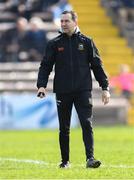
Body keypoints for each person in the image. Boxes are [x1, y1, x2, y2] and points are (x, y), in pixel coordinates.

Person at [37, 10, 110, 169]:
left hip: (83, 90)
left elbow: (97, 66)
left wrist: (105, 87)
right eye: (61, 21)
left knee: (86, 123)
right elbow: (45, 66)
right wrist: (41, 85)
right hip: (62, 91)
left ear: (75, 22)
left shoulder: (87, 41)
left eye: (66, 21)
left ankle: (90, 158)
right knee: (64, 127)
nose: (63, 24)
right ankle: (65, 161)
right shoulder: (54, 43)